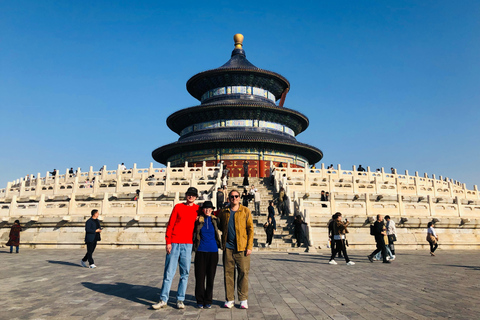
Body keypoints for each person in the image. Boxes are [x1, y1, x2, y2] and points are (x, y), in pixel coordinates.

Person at [152, 187, 200, 310]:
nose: (191, 197)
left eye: (193, 195)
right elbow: (171, 224)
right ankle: (163, 299)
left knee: (185, 273)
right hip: (174, 242)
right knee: (169, 273)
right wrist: (168, 242)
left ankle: (180, 299)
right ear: (186, 195)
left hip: (187, 244)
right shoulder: (178, 207)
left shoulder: (197, 209)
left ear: (196, 197)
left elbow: (210, 213)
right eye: (189, 194)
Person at [217, 189, 254, 309]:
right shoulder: (224, 212)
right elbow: (218, 224)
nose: (234, 198)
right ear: (229, 198)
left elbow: (250, 230)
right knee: (228, 274)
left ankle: (243, 299)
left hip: (242, 248)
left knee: (243, 273)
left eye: (236, 196)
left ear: (240, 198)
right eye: (232, 197)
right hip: (228, 248)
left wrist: (249, 246)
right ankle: (230, 299)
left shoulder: (245, 211)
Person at [193, 201, 221, 309]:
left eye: (209, 209)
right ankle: (200, 300)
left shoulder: (215, 220)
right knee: (199, 277)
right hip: (201, 251)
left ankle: (208, 300)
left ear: (212, 210)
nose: (207, 210)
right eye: (205, 208)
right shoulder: (198, 220)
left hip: (213, 251)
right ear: (202, 210)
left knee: (210, 277)